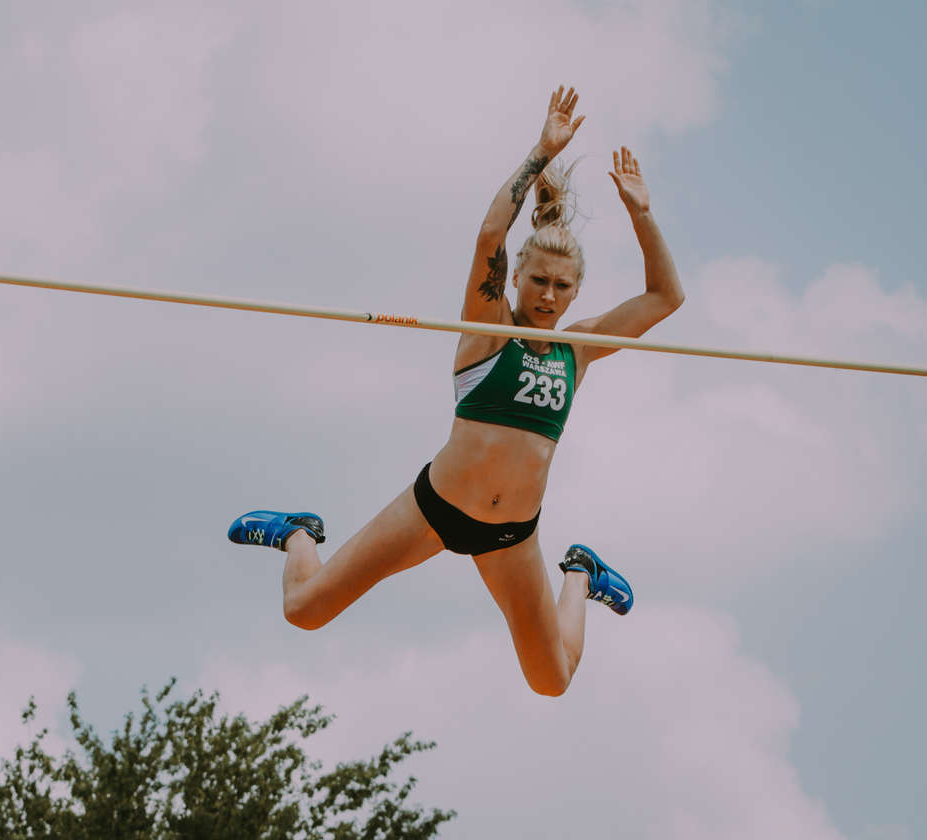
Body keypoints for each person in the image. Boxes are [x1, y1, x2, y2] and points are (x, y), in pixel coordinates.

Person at [228, 86, 684, 697]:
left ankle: (579, 574)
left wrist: (641, 213)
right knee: (304, 609)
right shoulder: (488, 331)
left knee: (552, 681)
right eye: (539, 281)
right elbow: (490, 236)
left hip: (512, 536)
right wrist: (539, 153)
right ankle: (298, 533)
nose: (548, 296)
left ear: (577, 292)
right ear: (517, 279)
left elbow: (664, 298)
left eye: (562, 286)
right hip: (434, 510)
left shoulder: (581, 348)